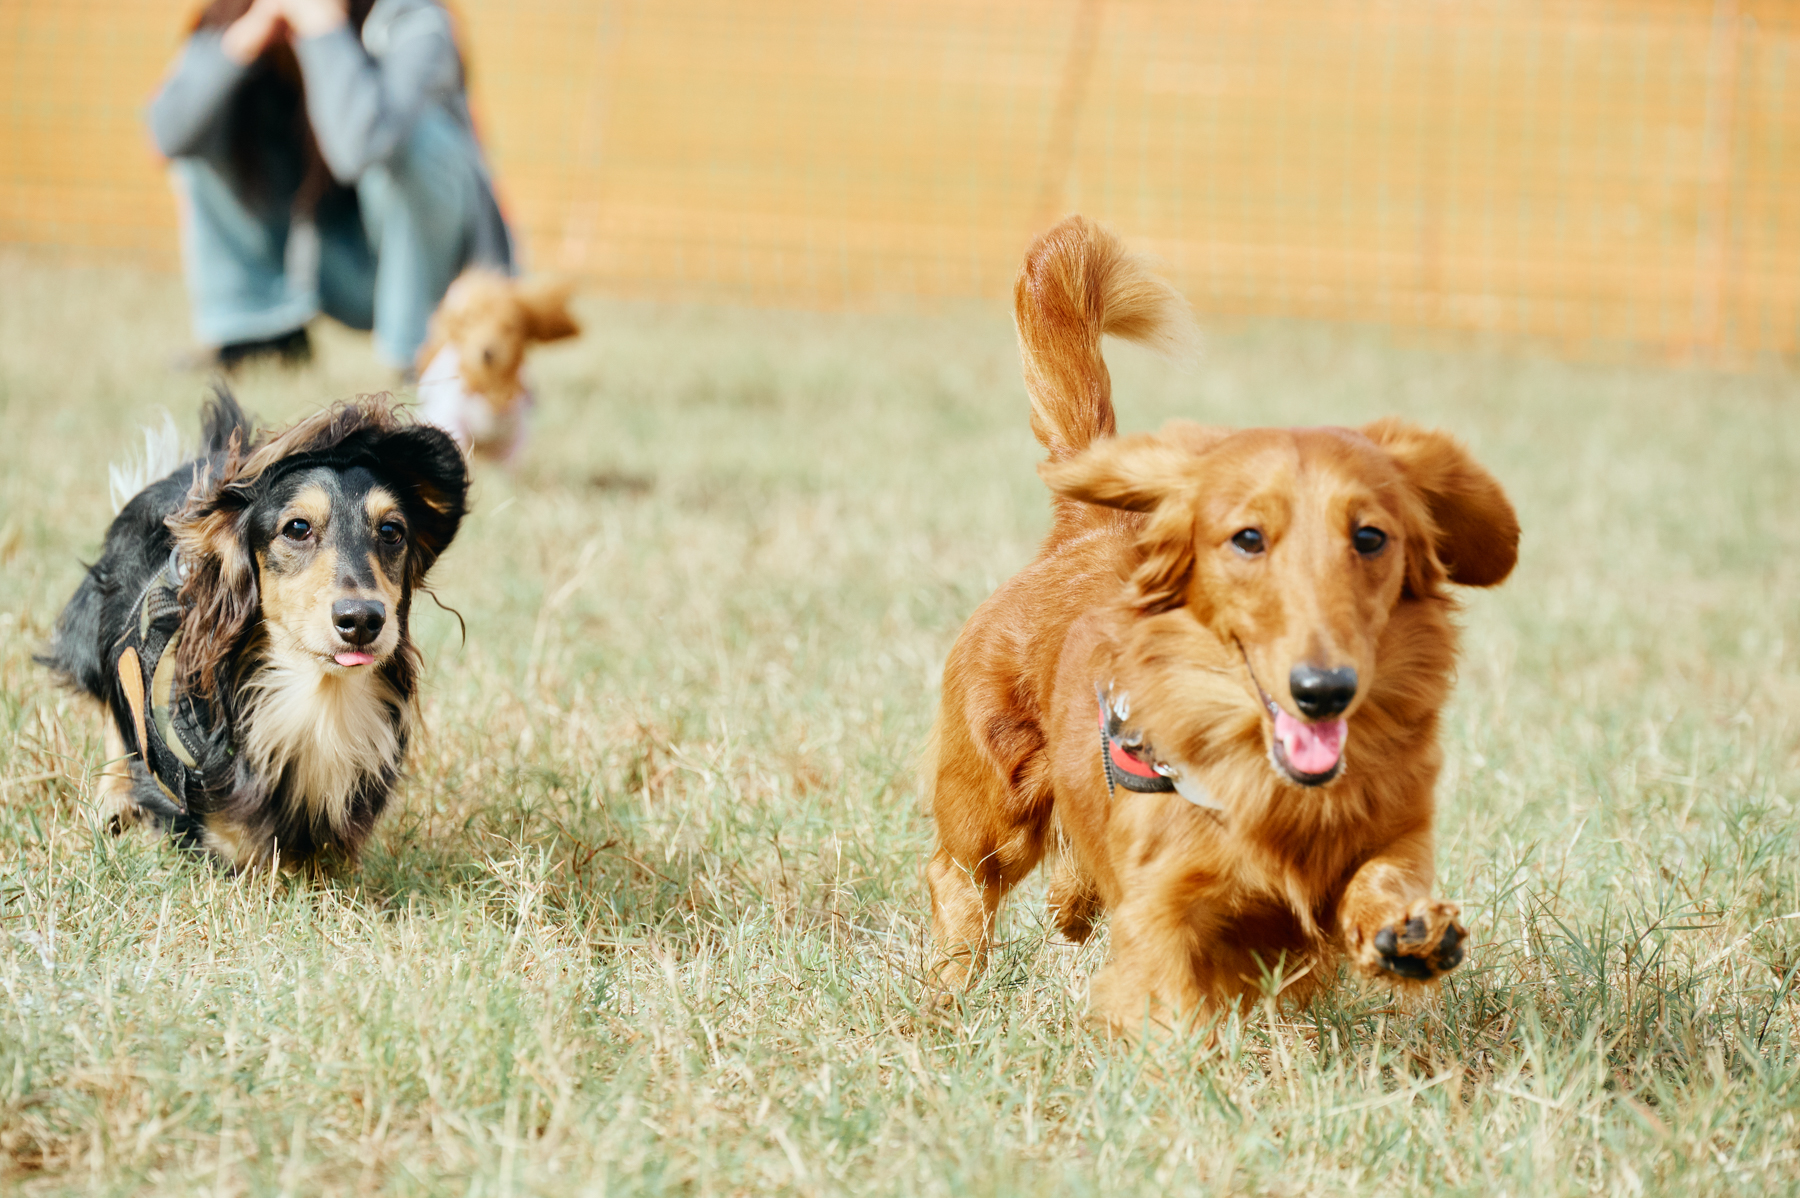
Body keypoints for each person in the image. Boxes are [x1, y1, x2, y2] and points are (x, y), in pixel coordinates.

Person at [148, 0, 513, 370]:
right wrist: (242, 40)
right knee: (203, 121)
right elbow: (167, 136)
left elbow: (360, 146)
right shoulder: (235, 15)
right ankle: (259, 335)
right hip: (317, 262)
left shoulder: (415, 19)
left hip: (428, 275)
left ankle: (419, 354)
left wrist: (323, 30)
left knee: (417, 140)